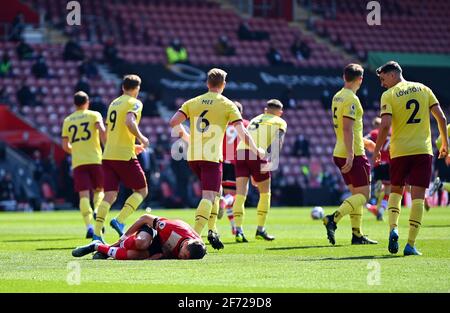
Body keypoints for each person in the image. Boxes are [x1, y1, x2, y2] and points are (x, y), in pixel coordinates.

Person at [169, 68, 264, 250]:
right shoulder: (228, 104)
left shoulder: (193, 102)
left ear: (207, 83)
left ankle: (212, 231)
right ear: (224, 85)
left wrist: (187, 137)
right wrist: (256, 149)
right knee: (209, 195)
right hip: (211, 157)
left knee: (217, 193)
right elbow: (242, 132)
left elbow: (173, 122)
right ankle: (192, 238)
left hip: (193, 156)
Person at [373, 61, 448, 256]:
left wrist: (377, 150)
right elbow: (441, 118)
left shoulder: (388, 95)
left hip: (399, 151)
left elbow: (385, 125)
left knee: (395, 192)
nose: (382, 84)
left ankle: (393, 229)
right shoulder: (424, 89)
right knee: (418, 198)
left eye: (383, 79)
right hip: (422, 150)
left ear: (392, 75)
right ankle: (411, 244)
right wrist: (446, 144)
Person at [323, 63, 378, 246]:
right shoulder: (352, 99)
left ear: (343, 76)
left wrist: (364, 141)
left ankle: (357, 235)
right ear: (360, 80)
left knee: (356, 195)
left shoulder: (337, 96)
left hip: (339, 150)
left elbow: (347, 128)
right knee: (364, 195)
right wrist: (351, 154)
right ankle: (333, 218)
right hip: (352, 153)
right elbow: (347, 128)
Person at [94, 75, 150, 242]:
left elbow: (112, 131)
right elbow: (129, 121)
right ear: (137, 88)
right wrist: (142, 138)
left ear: (122, 87)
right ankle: (119, 221)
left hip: (108, 154)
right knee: (142, 190)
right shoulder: (134, 102)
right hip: (123, 155)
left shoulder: (114, 103)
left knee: (109, 195)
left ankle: (97, 234)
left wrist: (133, 145)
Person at [232, 99, 287, 242]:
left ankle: (238, 231)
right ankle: (260, 230)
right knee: (265, 192)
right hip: (258, 154)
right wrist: (269, 160)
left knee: (240, 193)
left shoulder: (255, 119)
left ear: (265, 110)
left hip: (240, 153)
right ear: (280, 112)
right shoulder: (280, 121)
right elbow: (277, 143)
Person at [61, 91, 107, 238]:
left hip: (78, 162)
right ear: (87, 102)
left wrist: (76, 151)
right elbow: (102, 131)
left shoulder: (68, 120)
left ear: (74, 104)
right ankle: (97, 211)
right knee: (99, 190)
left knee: (83, 195)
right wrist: (105, 147)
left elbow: (65, 146)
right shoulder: (94, 115)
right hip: (95, 158)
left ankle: (89, 227)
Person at [72, 213, 206, 260]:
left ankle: (97, 246)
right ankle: (110, 247)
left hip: (160, 248)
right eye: (184, 256)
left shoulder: (196, 249)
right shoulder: (173, 229)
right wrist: (123, 237)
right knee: (141, 243)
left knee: (135, 256)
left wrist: (160, 256)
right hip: (153, 233)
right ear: (186, 244)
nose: (182, 259)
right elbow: (145, 218)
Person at [219, 101, 250, 235]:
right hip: (239, 163)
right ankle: (224, 202)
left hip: (224, 162)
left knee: (229, 195)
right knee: (238, 196)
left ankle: (234, 227)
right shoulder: (246, 124)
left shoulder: (222, 125)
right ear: (240, 113)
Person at [365, 117, 391, 221]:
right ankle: (381, 210)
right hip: (389, 164)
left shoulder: (374, 133)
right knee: (388, 191)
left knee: (378, 187)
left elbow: (363, 139)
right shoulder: (390, 133)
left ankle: (375, 202)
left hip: (378, 164)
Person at [428, 123, 450, 205]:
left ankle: (441, 185)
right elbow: (438, 142)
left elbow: (438, 142)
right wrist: (448, 154)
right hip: (443, 169)